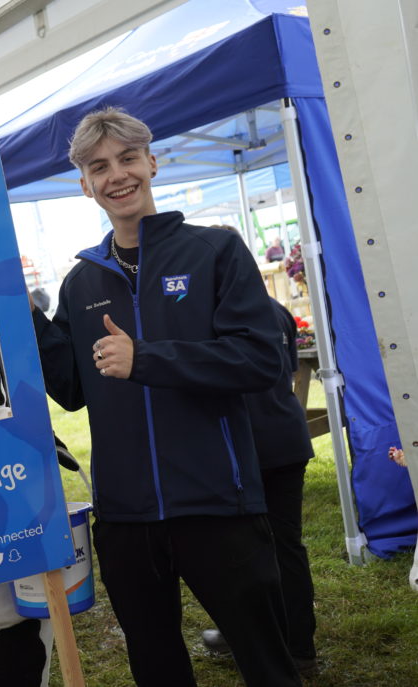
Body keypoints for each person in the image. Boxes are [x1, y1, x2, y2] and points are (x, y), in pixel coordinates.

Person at [32, 108, 300, 686]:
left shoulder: (214, 252)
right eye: (99, 167)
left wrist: (148, 359)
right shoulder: (82, 282)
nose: (117, 175)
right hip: (126, 517)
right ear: (85, 185)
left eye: (127, 158)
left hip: (217, 504)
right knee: (155, 665)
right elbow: (74, 389)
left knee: (266, 663)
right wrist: (24, 319)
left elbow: (261, 359)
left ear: (152, 163)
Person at [201, 226, 318, 677]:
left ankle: (283, 645)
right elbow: (285, 369)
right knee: (279, 547)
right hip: (281, 437)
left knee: (255, 551)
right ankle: (288, 644)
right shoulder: (274, 309)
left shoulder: (219, 315)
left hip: (252, 443)